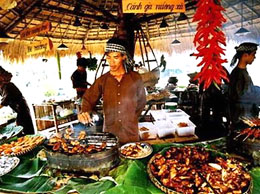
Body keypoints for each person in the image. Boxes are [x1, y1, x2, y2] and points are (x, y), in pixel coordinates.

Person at [78, 38, 146, 144]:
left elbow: (141, 102)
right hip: (110, 133)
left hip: (130, 133)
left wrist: (131, 118)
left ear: (123, 57)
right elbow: (88, 98)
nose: (111, 62)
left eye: (116, 57)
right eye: (108, 57)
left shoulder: (135, 78)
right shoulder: (103, 80)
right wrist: (84, 112)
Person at [228, 42, 260, 125]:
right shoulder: (237, 74)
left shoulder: (243, 72)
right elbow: (240, 96)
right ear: (245, 55)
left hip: (246, 116)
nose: (254, 57)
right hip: (241, 119)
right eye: (253, 54)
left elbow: (248, 90)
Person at [0, 66, 34, 135]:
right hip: (18, 110)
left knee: (26, 131)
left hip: (22, 110)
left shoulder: (8, 85)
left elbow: (6, 99)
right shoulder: (1, 87)